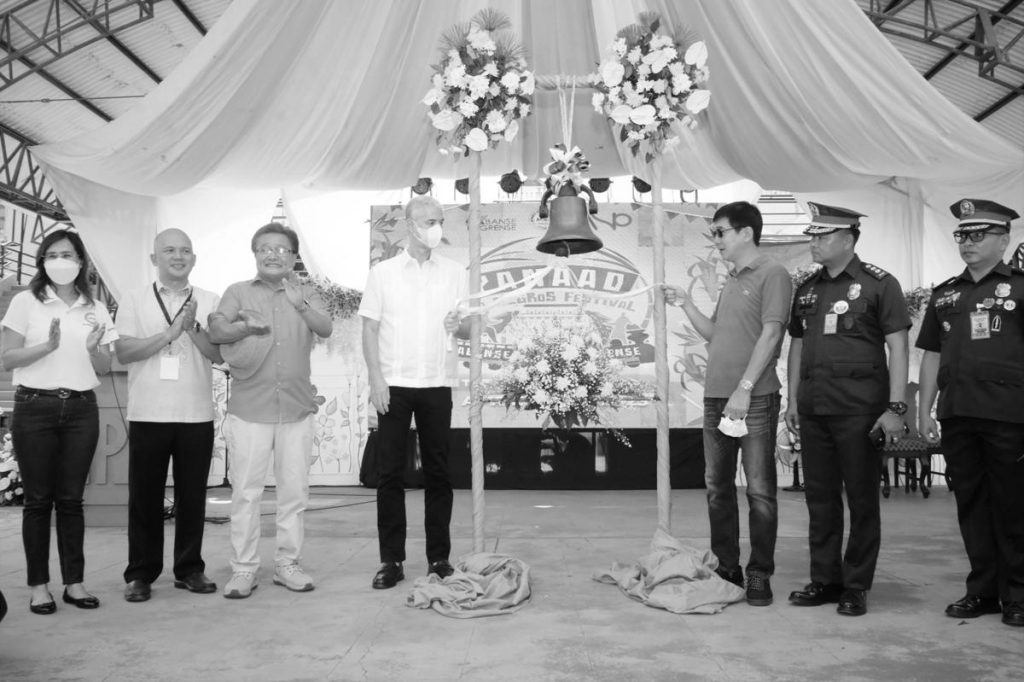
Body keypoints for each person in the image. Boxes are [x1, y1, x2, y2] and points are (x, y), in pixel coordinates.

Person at [784, 203, 911, 617]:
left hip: (860, 411)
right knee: (819, 499)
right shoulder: (808, 288)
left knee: (861, 499)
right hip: (815, 408)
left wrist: (895, 406)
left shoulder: (878, 284)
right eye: (812, 236)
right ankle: (825, 579)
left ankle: (855, 585)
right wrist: (793, 399)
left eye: (822, 236)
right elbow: (798, 344)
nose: (814, 243)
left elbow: (898, 345)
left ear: (848, 239)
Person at [663, 201, 792, 606]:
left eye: (720, 232)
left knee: (759, 491)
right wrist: (684, 302)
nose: (715, 241)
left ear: (746, 233)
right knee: (717, 488)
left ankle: (759, 573)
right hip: (716, 396)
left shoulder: (773, 273)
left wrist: (745, 387)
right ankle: (727, 567)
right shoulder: (732, 279)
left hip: (752, 397)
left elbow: (772, 335)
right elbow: (715, 335)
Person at [208, 223, 332, 599]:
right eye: (264, 248)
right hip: (249, 410)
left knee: (294, 492)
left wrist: (301, 304)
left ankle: (286, 564)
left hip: (296, 408)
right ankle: (244, 569)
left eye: (281, 248)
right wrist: (245, 325)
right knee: (246, 493)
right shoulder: (237, 292)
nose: (273, 254)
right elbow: (216, 331)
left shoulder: (307, 293)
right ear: (255, 254)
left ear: (295, 256)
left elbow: (325, 328)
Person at [917, 198, 1024, 628]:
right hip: (958, 413)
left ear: (1005, 239)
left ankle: (1017, 593)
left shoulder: (1019, 287)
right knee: (971, 505)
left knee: (1013, 506)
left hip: (1009, 415)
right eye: (962, 234)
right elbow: (929, 356)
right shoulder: (946, 293)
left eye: (979, 234)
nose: (968, 242)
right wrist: (924, 411)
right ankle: (981, 590)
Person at [0, 229, 117, 614]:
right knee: (38, 502)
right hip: (35, 407)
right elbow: (7, 358)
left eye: (67, 254)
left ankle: (75, 583)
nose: (59, 261)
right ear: (42, 262)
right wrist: (46, 348)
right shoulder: (25, 302)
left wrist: (92, 348)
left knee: (70, 500)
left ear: (81, 261)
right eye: (51, 255)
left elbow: (104, 365)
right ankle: (38, 586)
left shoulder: (94, 306)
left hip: (81, 409)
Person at [360, 195, 466, 589]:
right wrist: (375, 379)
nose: (435, 226)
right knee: (390, 474)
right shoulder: (383, 273)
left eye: (439, 220)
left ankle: (439, 557)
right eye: (427, 221)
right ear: (409, 225)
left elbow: (470, 327)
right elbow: (369, 329)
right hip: (394, 385)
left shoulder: (455, 272)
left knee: (439, 473)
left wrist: (463, 325)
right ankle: (392, 560)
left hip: (437, 382)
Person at [115, 228, 223, 603]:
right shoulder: (133, 299)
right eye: (170, 250)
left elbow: (219, 355)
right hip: (148, 412)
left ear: (194, 258)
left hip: (196, 413)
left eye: (186, 251)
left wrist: (192, 327)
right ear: (154, 259)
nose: (179, 257)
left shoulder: (210, 299)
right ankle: (141, 573)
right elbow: (125, 352)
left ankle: (189, 568)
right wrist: (169, 333)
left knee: (193, 496)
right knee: (144, 497)